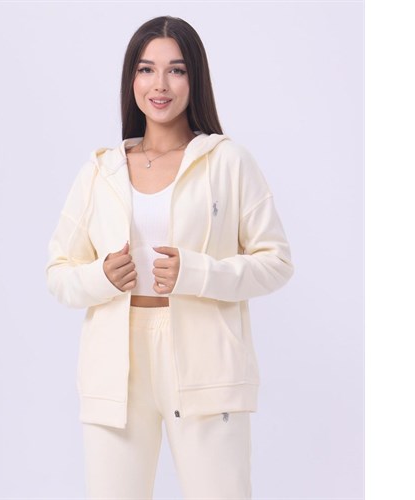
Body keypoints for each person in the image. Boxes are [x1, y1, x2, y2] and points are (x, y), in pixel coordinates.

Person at [46, 15, 293, 500]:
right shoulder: (100, 172)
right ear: (131, 79)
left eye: (176, 70)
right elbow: (58, 273)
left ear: (194, 79)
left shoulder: (228, 162)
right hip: (114, 370)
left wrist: (197, 272)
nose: (159, 84)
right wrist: (101, 277)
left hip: (207, 365)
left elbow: (276, 261)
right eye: (146, 69)